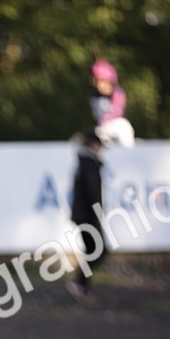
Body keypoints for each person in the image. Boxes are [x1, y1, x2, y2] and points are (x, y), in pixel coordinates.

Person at [66, 130, 106, 303]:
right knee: (99, 251)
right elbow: (93, 193)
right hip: (88, 216)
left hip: (83, 215)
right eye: (98, 145)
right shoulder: (90, 165)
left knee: (94, 250)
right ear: (92, 145)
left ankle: (81, 285)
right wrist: (98, 214)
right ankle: (79, 283)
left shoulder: (85, 163)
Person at [89, 59, 134, 148]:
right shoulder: (95, 96)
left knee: (123, 126)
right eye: (97, 81)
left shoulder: (117, 93)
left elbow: (117, 111)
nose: (99, 85)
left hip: (115, 127)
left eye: (102, 81)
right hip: (103, 129)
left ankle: (128, 151)